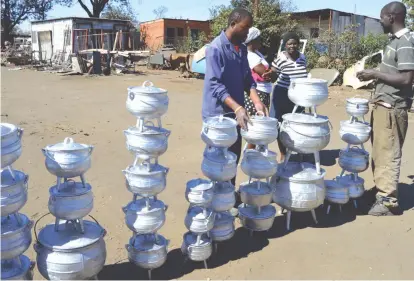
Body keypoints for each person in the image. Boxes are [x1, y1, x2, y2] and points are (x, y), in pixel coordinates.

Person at [202, 8, 268, 212]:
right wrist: (238, 107)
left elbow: (247, 79)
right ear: (233, 24)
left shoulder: (240, 48)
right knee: (217, 160)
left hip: (235, 112)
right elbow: (215, 85)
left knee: (232, 157)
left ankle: (228, 195)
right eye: (245, 27)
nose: (248, 33)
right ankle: (215, 201)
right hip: (218, 115)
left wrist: (256, 101)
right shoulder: (215, 49)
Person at [357, 1, 414, 216]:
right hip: (384, 104)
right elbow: (394, 72)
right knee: (380, 152)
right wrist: (375, 72)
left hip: (393, 107)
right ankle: (382, 190)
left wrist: (376, 74)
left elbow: (407, 78)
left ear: (391, 17)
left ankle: (388, 201)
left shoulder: (406, 42)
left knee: (388, 153)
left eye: (381, 17)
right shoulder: (394, 42)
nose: (380, 21)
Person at [271, 32, 308, 162]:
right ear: (285, 45)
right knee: (279, 123)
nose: (292, 46)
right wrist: (268, 74)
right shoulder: (281, 58)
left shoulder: (302, 57)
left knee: (296, 124)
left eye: (294, 43)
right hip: (282, 94)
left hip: (298, 96)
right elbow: (273, 72)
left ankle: (297, 152)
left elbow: (304, 74)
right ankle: (282, 152)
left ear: (298, 44)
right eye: (289, 43)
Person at [244, 27, 273, 149]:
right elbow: (266, 74)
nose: (261, 41)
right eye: (259, 39)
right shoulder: (251, 56)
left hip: (263, 92)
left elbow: (269, 73)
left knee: (258, 125)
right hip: (257, 93)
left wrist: (271, 72)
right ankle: (250, 156)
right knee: (256, 126)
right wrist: (271, 73)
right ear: (251, 41)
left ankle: (253, 154)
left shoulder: (257, 53)